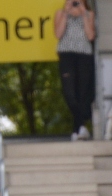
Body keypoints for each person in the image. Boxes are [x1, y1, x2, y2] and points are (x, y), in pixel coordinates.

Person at [56, 0, 96, 141]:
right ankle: (81, 126)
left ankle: (78, 129)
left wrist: (84, 14)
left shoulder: (89, 14)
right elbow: (58, 34)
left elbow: (90, 36)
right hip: (66, 55)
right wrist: (66, 13)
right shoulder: (60, 13)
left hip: (84, 55)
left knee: (82, 93)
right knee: (69, 93)